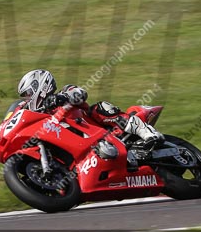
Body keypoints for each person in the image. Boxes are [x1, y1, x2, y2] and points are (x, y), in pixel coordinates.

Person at [17, 69, 165, 164]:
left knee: (99, 108)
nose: (27, 99)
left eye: (28, 94)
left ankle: (149, 134)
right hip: (83, 147)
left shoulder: (65, 92)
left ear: (40, 87)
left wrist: (62, 98)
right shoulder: (42, 118)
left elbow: (81, 93)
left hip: (102, 131)